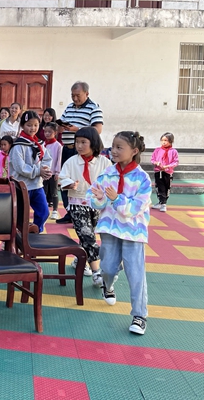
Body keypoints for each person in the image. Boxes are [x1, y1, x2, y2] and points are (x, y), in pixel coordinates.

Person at [89, 131, 151, 335]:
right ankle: (109, 284)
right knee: (106, 268)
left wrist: (116, 199)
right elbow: (94, 197)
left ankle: (139, 316)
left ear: (134, 151)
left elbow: (135, 208)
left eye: (119, 147)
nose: (113, 151)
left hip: (133, 233)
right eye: (113, 146)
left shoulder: (143, 179)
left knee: (136, 274)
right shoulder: (107, 174)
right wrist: (98, 198)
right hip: (110, 230)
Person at [59, 127, 112, 282]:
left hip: (96, 205)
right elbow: (62, 178)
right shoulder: (71, 161)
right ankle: (97, 272)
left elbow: (111, 181)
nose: (79, 146)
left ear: (94, 143)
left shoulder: (104, 162)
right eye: (77, 142)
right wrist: (69, 184)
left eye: (83, 142)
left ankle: (80, 259)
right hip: (76, 203)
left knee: (88, 235)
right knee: (88, 235)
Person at [56, 81, 104, 224]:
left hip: (83, 151)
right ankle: (70, 211)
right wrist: (61, 127)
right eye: (72, 95)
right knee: (65, 180)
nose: (74, 99)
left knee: (81, 181)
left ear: (86, 94)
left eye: (78, 95)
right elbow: (64, 122)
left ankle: (86, 211)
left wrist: (76, 129)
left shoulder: (93, 108)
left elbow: (97, 130)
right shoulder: (69, 107)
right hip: (67, 148)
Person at [9, 111, 52, 233]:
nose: (32, 128)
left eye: (35, 125)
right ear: (22, 125)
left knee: (44, 212)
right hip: (22, 185)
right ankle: (18, 238)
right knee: (21, 216)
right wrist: (38, 171)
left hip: (37, 185)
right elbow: (20, 167)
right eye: (29, 125)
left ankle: (34, 232)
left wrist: (45, 170)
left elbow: (47, 159)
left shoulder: (39, 144)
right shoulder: (18, 145)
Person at [151, 132, 179, 212]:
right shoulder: (157, 150)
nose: (163, 142)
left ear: (171, 141)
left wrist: (167, 166)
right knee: (159, 187)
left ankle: (164, 203)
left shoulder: (174, 151)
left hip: (167, 172)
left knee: (166, 188)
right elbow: (152, 159)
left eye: (166, 140)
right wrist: (157, 163)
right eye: (162, 140)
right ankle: (161, 202)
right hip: (158, 171)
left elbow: (176, 162)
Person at [42, 122, 63, 220]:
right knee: (43, 191)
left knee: (54, 192)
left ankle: (55, 210)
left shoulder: (58, 145)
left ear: (55, 132)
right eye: (45, 132)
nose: (47, 134)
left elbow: (59, 160)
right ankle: (44, 209)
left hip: (53, 172)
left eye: (49, 132)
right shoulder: (42, 144)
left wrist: (57, 172)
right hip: (43, 172)